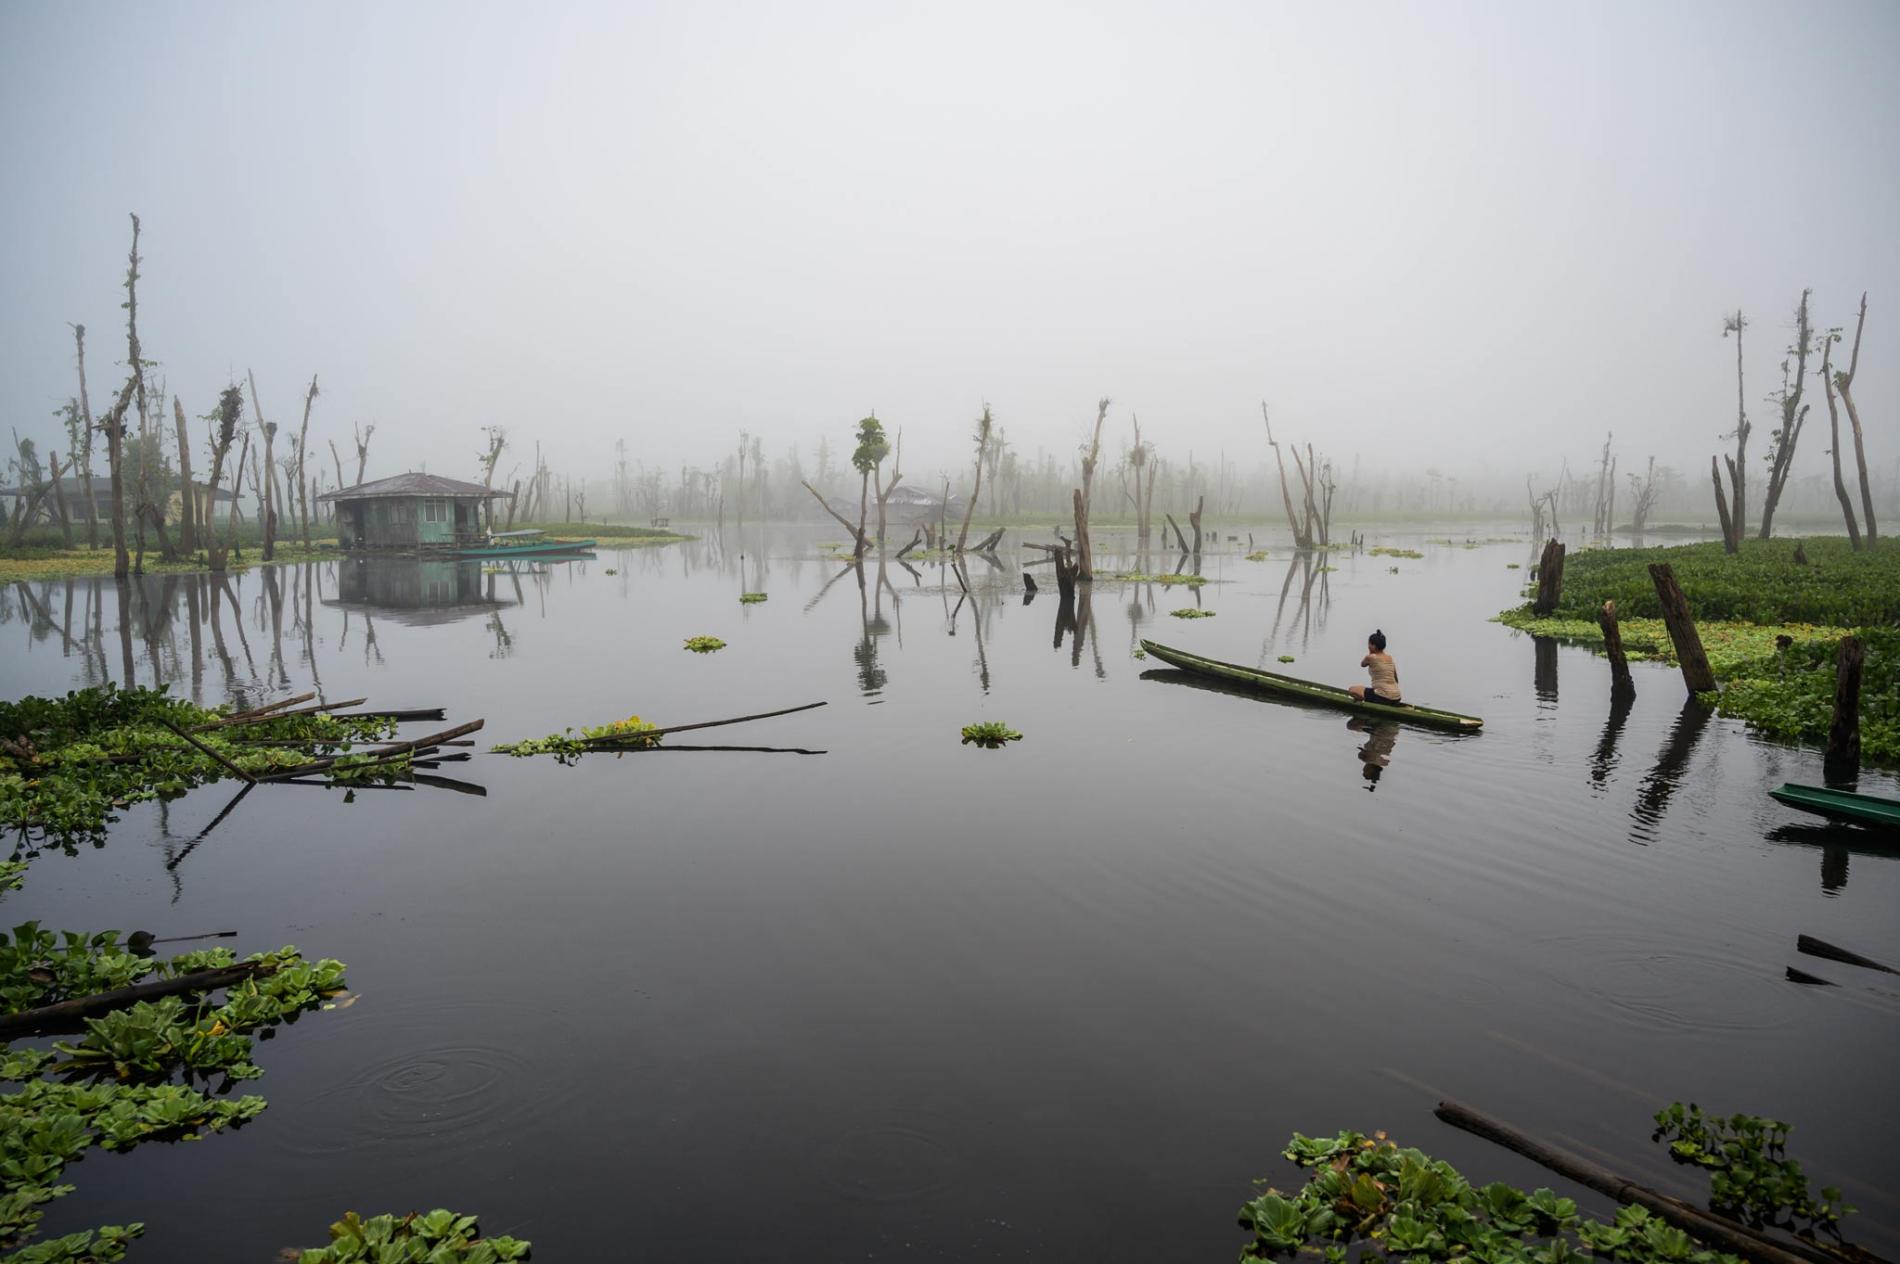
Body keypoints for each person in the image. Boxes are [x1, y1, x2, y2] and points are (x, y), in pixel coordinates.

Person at [1349, 629, 1403, 704]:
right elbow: (1396, 680)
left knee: (1352, 690)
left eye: (1369, 644)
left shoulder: (1371, 657)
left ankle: (1363, 704)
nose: (1368, 646)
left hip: (1383, 697)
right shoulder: (1389, 658)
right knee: (1375, 691)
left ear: (1373, 646)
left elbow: (1363, 664)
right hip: (1397, 697)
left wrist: (1370, 652)